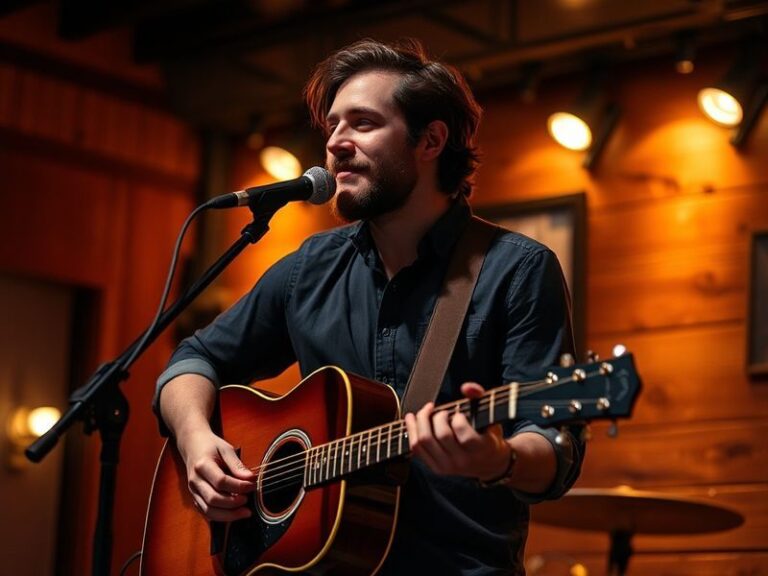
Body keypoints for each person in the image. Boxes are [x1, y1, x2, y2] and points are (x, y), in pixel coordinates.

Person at [154, 38, 584, 575]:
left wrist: (500, 460)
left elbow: (555, 448)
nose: (335, 143)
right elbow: (191, 362)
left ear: (430, 141)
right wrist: (197, 443)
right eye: (332, 125)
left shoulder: (515, 270)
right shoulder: (310, 268)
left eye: (362, 123)